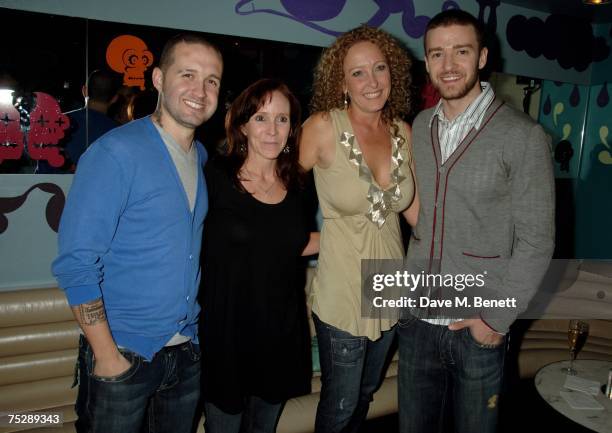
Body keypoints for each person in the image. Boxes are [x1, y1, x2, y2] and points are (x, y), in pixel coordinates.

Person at [52, 33, 223, 433]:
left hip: (184, 355)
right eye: (188, 75)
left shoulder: (199, 156)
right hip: (124, 354)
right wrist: (107, 355)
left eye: (212, 80)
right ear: (159, 79)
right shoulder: (117, 152)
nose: (201, 90)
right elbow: (76, 262)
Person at [397, 9, 555, 433]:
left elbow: (537, 241)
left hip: (477, 323)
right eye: (437, 54)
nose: (448, 66)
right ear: (427, 62)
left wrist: (495, 320)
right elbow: (427, 216)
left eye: (461, 51)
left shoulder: (523, 136)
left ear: (482, 56)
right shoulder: (422, 124)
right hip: (418, 318)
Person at [300, 25, 418, 433]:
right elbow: (278, 192)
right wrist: (303, 240)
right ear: (342, 82)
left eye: (379, 68)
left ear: (393, 73)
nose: (372, 81)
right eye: (358, 72)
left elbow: (417, 216)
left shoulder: (404, 132)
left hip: (390, 285)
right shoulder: (321, 127)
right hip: (343, 289)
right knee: (340, 403)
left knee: (366, 394)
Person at [200, 78, 318, 433]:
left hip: (279, 333)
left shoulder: (297, 184)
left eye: (282, 120)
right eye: (261, 118)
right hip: (227, 334)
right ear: (242, 125)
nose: (272, 130)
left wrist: (355, 237)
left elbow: (288, 242)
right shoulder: (214, 177)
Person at [36, 69, 120, 173]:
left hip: (57, 188)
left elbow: (43, 169)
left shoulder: (58, 123)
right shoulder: (119, 132)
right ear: (115, 98)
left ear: (84, 91)